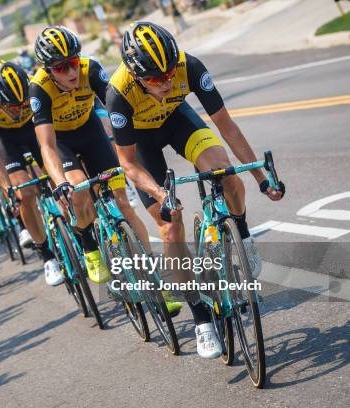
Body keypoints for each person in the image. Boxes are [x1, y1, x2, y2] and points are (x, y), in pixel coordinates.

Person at [107, 22, 285, 358]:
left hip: (177, 120)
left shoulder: (190, 67)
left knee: (225, 171)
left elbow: (227, 126)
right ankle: (202, 320)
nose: (169, 81)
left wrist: (262, 179)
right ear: (137, 76)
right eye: (157, 78)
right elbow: (128, 164)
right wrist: (162, 196)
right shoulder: (118, 93)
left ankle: (242, 236)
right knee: (170, 226)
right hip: (142, 144)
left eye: (171, 71)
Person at [30, 25, 162, 290]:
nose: (71, 71)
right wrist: (60, 183)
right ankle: (89, 246)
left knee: (123, 202)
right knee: (78, 190)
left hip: (90, 132)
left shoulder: (91, 69)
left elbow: (115, 108)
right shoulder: (39, 89)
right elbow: (46, 146)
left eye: (73, 63)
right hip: (62, 141)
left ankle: (153, 278)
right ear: (47, 70)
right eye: (61, 67)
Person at [0, 61, 64, 286]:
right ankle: (47, 256)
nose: (19, 110)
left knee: (59, 178)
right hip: (5, 139)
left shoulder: (34, 86)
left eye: (23, 103)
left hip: (33, 129)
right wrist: (7, 188)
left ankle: (78, 232)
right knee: (25, 195)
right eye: (13, 106)